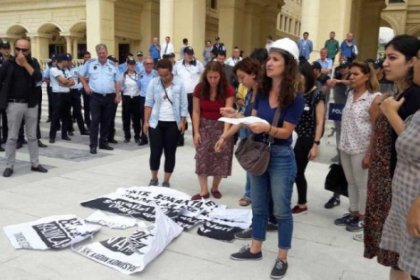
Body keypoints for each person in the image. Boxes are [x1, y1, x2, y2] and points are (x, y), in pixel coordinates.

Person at [218, 38, 304, 279]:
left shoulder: (295, 97)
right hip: (258, 153)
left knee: (282, 210)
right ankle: (256, 248)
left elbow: (286, 132)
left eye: (276, 59)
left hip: (281, 156)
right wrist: (234, 115)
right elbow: (250, 119)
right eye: (269, 58)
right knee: (258, 205)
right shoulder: (260, 92)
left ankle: (282, 257)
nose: (269, 63)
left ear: (288, 65)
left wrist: (265, 129)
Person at [364, 35, 420, 280]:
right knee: (398, 258)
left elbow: (413, 146)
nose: (385, 63)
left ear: (412, 62)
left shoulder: (414, 97)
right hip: (393, 185)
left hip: (405, 188)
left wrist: (389, 112)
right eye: (385, 57)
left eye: (393, 57)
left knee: (404, 259)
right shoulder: (400, 93)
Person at [333, 61, 381, 235]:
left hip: (362, 147)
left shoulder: (374, 98)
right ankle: (353, 212)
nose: (351, 77)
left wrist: (370, 153)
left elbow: (377, 128)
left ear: (367, 76)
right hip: (346, 146)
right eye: (350, 74)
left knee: (362, 184)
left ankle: (363, 217)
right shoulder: (350, 94)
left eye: (356, 74)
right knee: (351, 181)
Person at [0, 38, 47, 177]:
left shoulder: (33, 62)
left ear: (29, 50)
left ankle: (35, 163)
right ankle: (9, 165)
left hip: (31, 104)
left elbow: (38, 78)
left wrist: (25, 64)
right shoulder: (8, 64)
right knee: (12, 137)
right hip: (14, 104)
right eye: (18, 49)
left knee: (32, 136)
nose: (21, 52)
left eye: (24, 50)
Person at [190, 61, 234, 200]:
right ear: (206, 76)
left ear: (221, 76)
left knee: (220, 158)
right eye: (210, 77)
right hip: (204, 126)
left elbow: (228, 114)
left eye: (216, 77)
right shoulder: (199, 88)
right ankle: (204, 190)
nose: (213, 80)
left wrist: (224, 136)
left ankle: (215, 187)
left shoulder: (227, 89)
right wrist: (196, 132)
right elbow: (196, 111)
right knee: (201, 157)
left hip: (222, 126)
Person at [143, 59, 188, 187]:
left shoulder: (179, 83)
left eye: (166, 75)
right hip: (156, 122)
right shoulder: (153, 82)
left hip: (173, 123)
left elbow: (184, 105)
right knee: (155, 152)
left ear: (171, 71)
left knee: (170, 152)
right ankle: (154, 178)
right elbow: (148, 103)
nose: (163, 78)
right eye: (160, 75)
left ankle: (166, 180)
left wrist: (182, 122)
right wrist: (146, 122)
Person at [292, 60, 325, 215]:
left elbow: (319, 122)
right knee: (291, 170)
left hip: (306, 138)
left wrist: (316, 144)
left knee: (298, 171)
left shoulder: (317, 95)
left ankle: (302, 203)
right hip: (292, 136)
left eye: (300, 75)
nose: (298, 78)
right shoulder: (296, 93)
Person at [79, 44, 121, 154]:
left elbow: (117, 81)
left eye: (104, 52)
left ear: (107, 52)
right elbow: (80, 75)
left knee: (106, 121)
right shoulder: (90, 64)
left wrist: (117, 95)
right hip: (95, 97)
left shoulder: (113, 66)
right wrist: (86, 86)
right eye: (100, 53)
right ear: (97, 54)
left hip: (109, 97)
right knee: (95, 120)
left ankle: (103, 142)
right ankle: (93, 145)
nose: (102, 55)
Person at [173, 46, 204, 145]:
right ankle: (179, 139)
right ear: (184, 54)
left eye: (192, 54)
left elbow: (204, 75)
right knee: (181, 117)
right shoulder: (177, 65)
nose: (190, 56)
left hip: (194, 95)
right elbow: (173, 77)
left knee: (195, 116)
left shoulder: (198, 64)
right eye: (188, 54)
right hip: (181, 95)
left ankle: (197, 137)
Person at [48, 53, 75, 143]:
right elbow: (62, 81)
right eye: (67, 61)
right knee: (55, 116)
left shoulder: (66, 70)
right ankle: (52, 136)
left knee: (66, 116)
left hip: (67, 94)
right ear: (63, 61)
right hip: (58, 95)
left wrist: (64, 83)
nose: (68, 62)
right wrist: (66, 82)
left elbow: (72, 82)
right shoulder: (53, 70)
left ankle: (64, 134)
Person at [121, 56, 141, 143]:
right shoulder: (123, 75)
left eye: (133, 64)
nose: (132, 66)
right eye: (130, 64)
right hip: (127, 98)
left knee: (136, 118)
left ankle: (137, 136)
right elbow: (120, 86)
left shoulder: (138, 75)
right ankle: (127, 136)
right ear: (127, 65)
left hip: (136, 98)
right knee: (126, 118)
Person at [138, 57, 158, 146]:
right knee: (144, 119)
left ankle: (154, 137)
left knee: (154, 118)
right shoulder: (140, 74)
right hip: (143, 98)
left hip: (154, 99)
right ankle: (144, 137)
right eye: (147, 64)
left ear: (153, 65)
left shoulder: (156, 74)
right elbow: (138, 86)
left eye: (150, 64)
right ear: (144, 65)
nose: (149, 65)